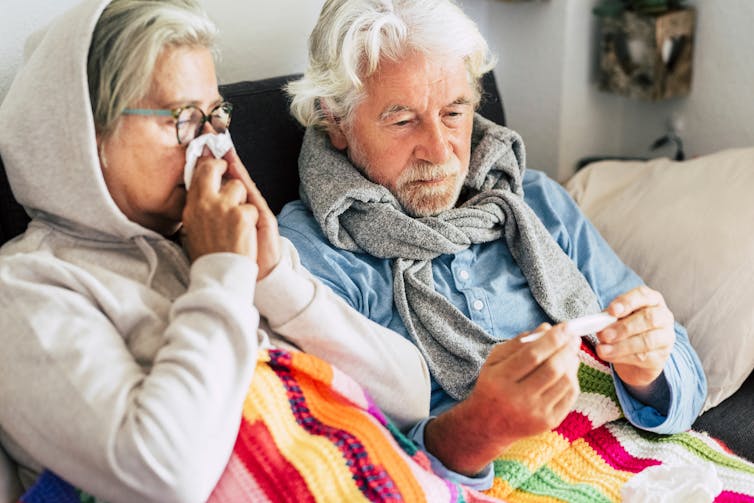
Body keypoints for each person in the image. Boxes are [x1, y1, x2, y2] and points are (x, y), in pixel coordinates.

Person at [0, 0, 433, 501]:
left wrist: (274, 278)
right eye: (183, 118)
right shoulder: (25, 291)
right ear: (84, 131)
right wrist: (220, 273)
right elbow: (166, 475)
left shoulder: (221, 247)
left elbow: (410, 396)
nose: (214, 147)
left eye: (216, 115)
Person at [279, 0, 707, 489]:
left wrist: (647, 369)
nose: (440, 151)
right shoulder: (308, 257)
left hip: (656, 468)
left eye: (454, 112)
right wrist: (481, 427)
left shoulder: (535, 200)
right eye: (402, 122)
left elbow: (686, 380)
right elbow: (332, 466)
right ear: (334, 121)